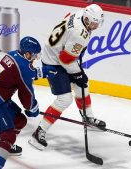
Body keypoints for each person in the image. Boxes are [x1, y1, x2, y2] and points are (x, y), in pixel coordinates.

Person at [28, 4, 107, 151]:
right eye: (95, 23)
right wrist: (78, 73)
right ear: (88, 20)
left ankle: (87, 118)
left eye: (98, 23)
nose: (97, 26)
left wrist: (78, 74)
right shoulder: (80, 34)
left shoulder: (80, 14)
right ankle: (39, 132)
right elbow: (65, 60)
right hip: (54, 62)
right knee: (65, 99)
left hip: (56, 53)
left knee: (82, 85)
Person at [0, 36, 47, 169]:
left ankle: (8, 146)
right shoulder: (24, 67)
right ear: (27, 53)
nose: (36, 58)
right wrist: (33, 108)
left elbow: (22, 72)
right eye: (34, 55)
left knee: (20, 120)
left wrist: (42, 72)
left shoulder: (14, 54)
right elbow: (26, 94)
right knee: (7, 134)